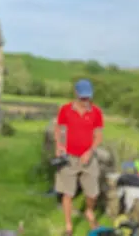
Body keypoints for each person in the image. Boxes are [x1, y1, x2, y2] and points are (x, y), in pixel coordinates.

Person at [54, 79, 104, 236]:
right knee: (67, 193)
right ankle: (69, 226)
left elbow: (99, 136)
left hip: (88, 158)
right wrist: (59, 145)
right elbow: (59, 129)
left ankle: (89, 211)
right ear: (76, 94)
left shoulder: (96, 112)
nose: (85, 100)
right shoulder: (65, 110)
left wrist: (90, 151)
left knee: (93, 193)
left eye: (87, 97)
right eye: (82, 97)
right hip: (69, 158)